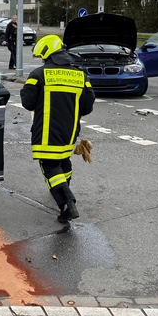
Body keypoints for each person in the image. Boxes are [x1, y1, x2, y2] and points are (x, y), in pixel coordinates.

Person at [20, 34, 95, 223]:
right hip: (70, 132)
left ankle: (67, 203)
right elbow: (87, 106)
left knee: (49, 166)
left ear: (49, 55)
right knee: (63, 161)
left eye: (43, 57)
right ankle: (65, 187)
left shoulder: (38, 75)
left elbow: (28, 103)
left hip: (46, 133)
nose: (43, 61)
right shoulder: (80, 75)